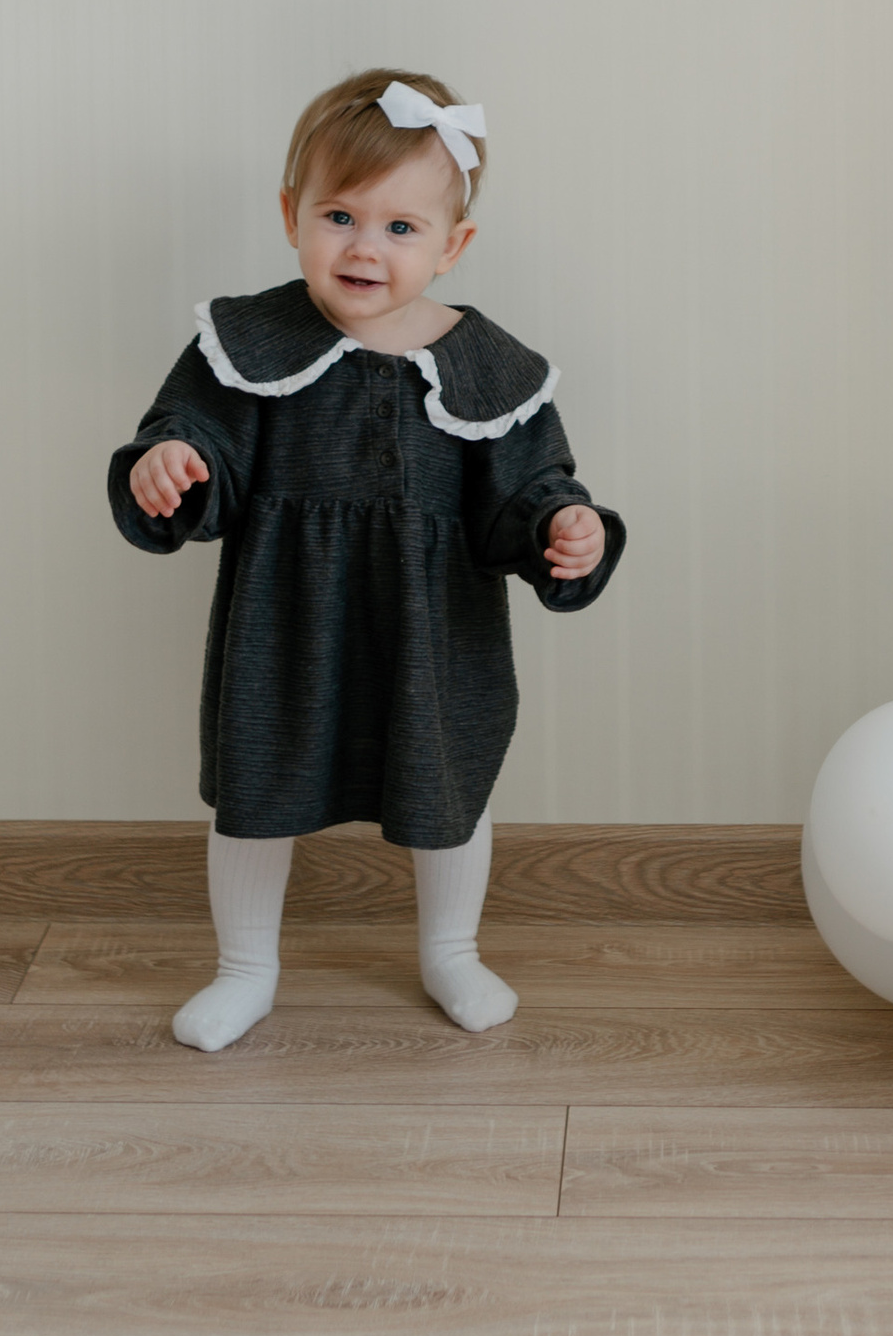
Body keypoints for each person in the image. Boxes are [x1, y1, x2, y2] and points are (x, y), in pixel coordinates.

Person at [111, 68, 626, 1050]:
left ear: (452, 245)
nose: (363, 246)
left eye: (400, 227)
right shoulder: (247, 342)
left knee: (447, 782)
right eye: (339, 215)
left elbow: (529, 486)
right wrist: (172, 461)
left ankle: (452, 951)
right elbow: (193, 433)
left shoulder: (493, 371)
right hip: (286, 621)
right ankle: (245, 969)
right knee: (259, 788)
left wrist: (566, 526)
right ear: (290, 214)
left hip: (435, 628)